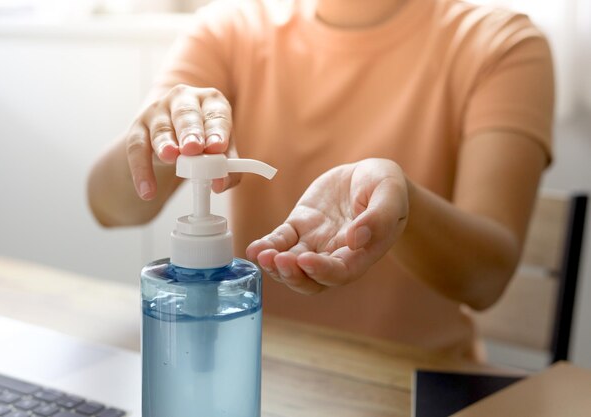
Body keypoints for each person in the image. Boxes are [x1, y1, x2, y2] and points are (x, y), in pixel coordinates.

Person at [88, 0, 554, 360]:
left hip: (412, 384)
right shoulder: (229, 30)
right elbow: (111, 206)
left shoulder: (499, 43)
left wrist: (402, 204)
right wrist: (168, 142)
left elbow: (486, 279)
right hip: (255, 368)